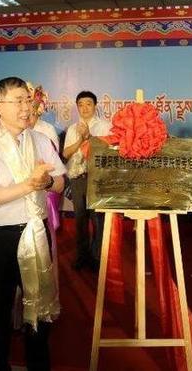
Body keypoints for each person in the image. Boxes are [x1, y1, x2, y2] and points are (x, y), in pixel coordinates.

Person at [0, 76, 66, 371]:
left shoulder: (40, 140)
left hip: (35, 231)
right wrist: (29, 185)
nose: (26, 107)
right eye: (18, 101)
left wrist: (46, 182)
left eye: (28, 100)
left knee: (40, 306)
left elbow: (59, 183)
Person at [62, 91, 111, 271]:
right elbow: (66, 154)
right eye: (81, 105)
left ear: (95, 106)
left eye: (88, 104)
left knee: (98, 219)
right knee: (80, 219)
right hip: (78, 179)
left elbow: (108, 152)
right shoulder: (72, 129)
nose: (84, 108)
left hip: (98, 179)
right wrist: (80, 139)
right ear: (77, 107)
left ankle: (97, 258)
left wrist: (89, 137)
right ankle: (82, 256)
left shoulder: (105, 126)